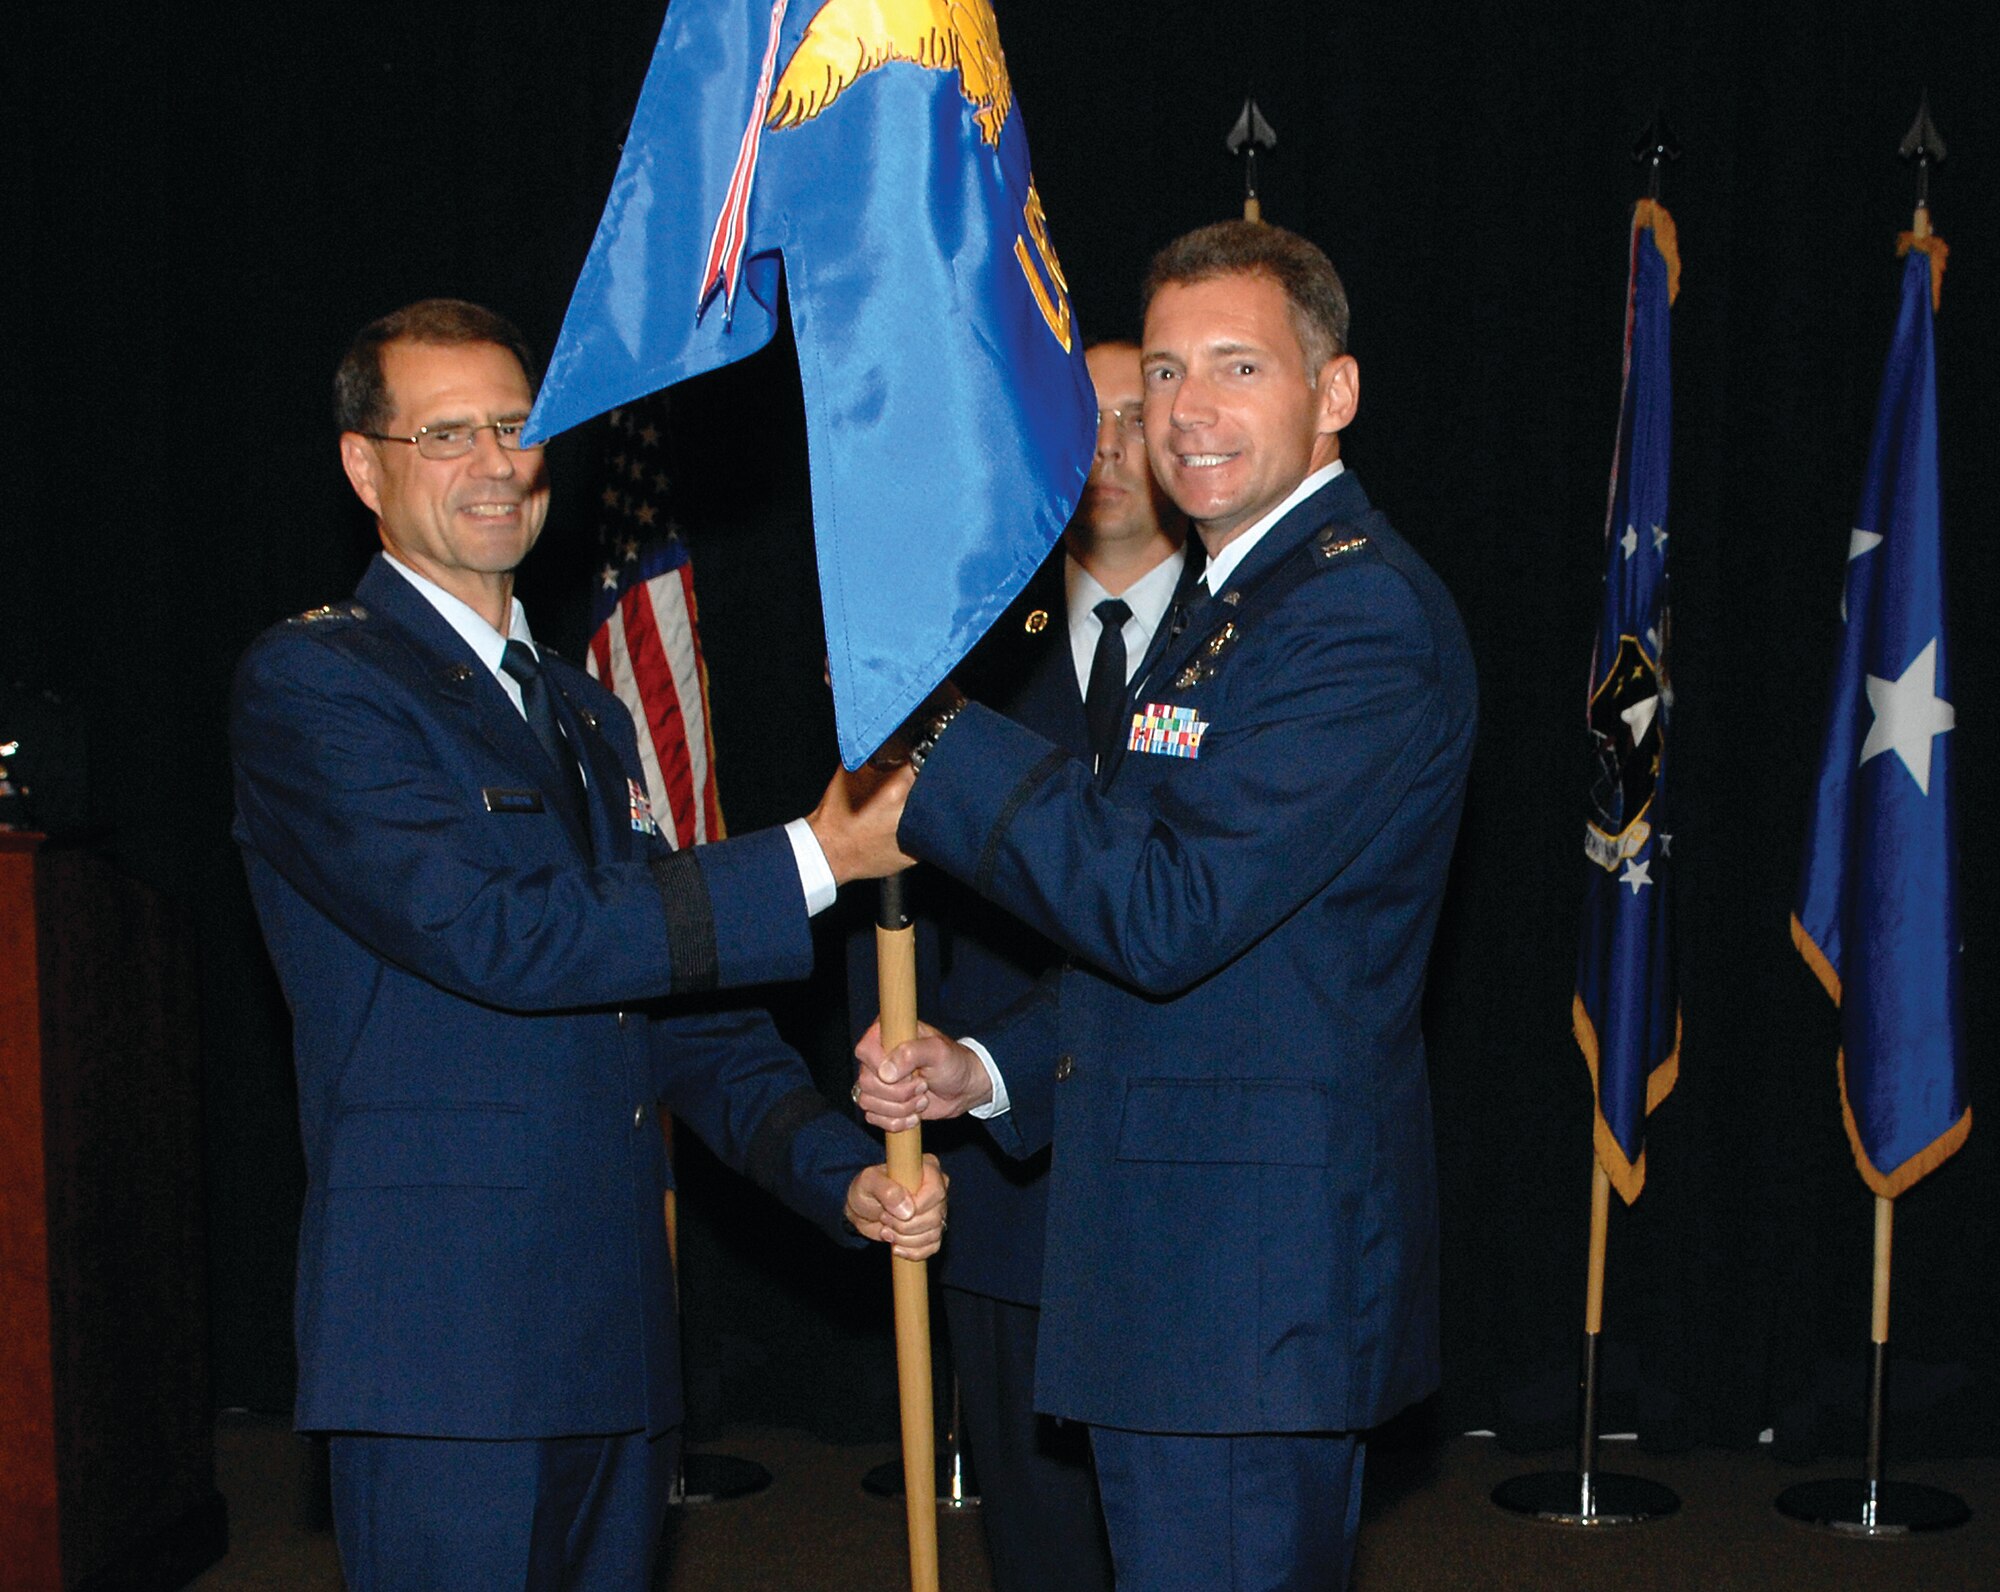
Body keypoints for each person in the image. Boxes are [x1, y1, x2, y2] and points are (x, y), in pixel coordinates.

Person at [230, 299, 943, 1592]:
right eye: (446, 435)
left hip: (612, 1340)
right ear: (363, 465)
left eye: (519, 426)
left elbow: (673, 1011)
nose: (497, 465)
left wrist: (843, 1176)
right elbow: (504, 940)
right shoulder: (318, 689)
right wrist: (813, 858)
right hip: (447, 1354)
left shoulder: (585, 712)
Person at [844, 222, 1477, 1589]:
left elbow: (1170, 908)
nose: (1187, 413)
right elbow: (1209, 960)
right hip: (1179, 1293)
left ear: (1336, 391)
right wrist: (992, 1065)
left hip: (1242, 1304)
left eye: (1238, 367)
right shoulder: (1230, 604)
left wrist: (937, 745)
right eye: (1171, 371)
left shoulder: (1354, 621)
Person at [865, 341, 1186, 1591]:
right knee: (1040, 1554)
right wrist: (889, 1111)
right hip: (1009, 1195)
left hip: (1184, 1194)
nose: (1103, 443)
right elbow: (898, 930)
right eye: (1074, 417)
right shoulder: (961, 658)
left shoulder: (1256, 643)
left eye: (1129, 413)